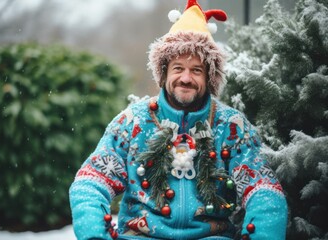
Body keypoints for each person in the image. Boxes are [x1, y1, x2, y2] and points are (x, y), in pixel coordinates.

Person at [69, 0, 288, 239]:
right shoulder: (132, 122)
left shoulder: (231, 126)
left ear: (210, 77)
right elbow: (90, 183)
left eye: (196, 70)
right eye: (178, 68)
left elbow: (265, 191)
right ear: (163, 72)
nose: (186, 78)